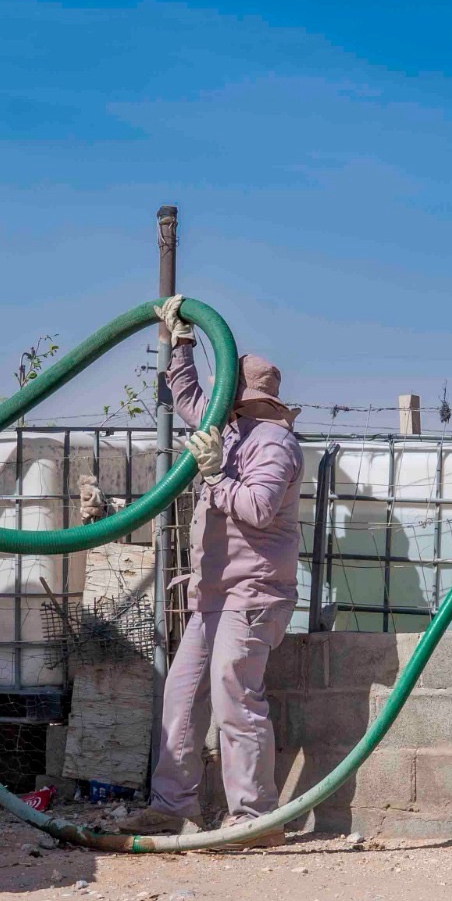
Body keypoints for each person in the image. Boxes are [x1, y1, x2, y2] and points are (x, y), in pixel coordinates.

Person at [117, 295, 303, 847]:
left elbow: (258, 508)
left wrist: (217, 476)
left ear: (242, 399)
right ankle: (173, 808)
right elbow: (188, 396)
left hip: (253, 595)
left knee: (234, 697)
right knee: (181, 697)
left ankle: (255, 817)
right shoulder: (230, 429)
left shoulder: (275, 443)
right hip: (213, 596)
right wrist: (180, 341)